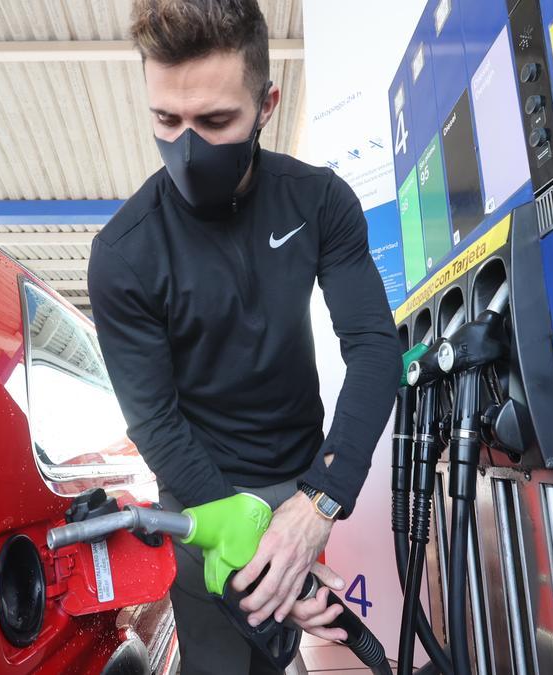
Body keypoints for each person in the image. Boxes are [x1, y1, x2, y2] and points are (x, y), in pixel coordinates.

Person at [87, 1, 401, 672]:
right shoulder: (123, 253)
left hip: (303, 478)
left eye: (216, 120)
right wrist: (244, 541)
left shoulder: (318, 202)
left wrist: (318, 501)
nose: (189, 145)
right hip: (201, 489)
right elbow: (155, 419)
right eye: (166, 120)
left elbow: (375, 348)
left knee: (299, 650)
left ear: (266, 103)